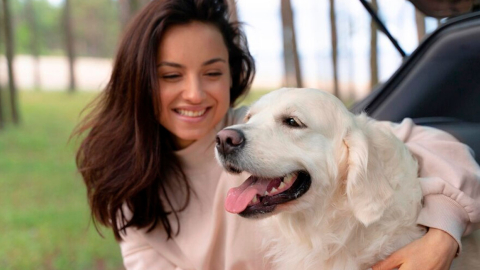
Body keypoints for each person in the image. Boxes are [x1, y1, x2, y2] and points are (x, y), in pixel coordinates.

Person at [74, 0, 480, 269]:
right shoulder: (131, 189)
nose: (195, 94)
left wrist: (443, 234)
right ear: (138, 81)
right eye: (170, 76)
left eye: (212, 73)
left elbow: (432, 142)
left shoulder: (250, 126)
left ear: (231, 77)